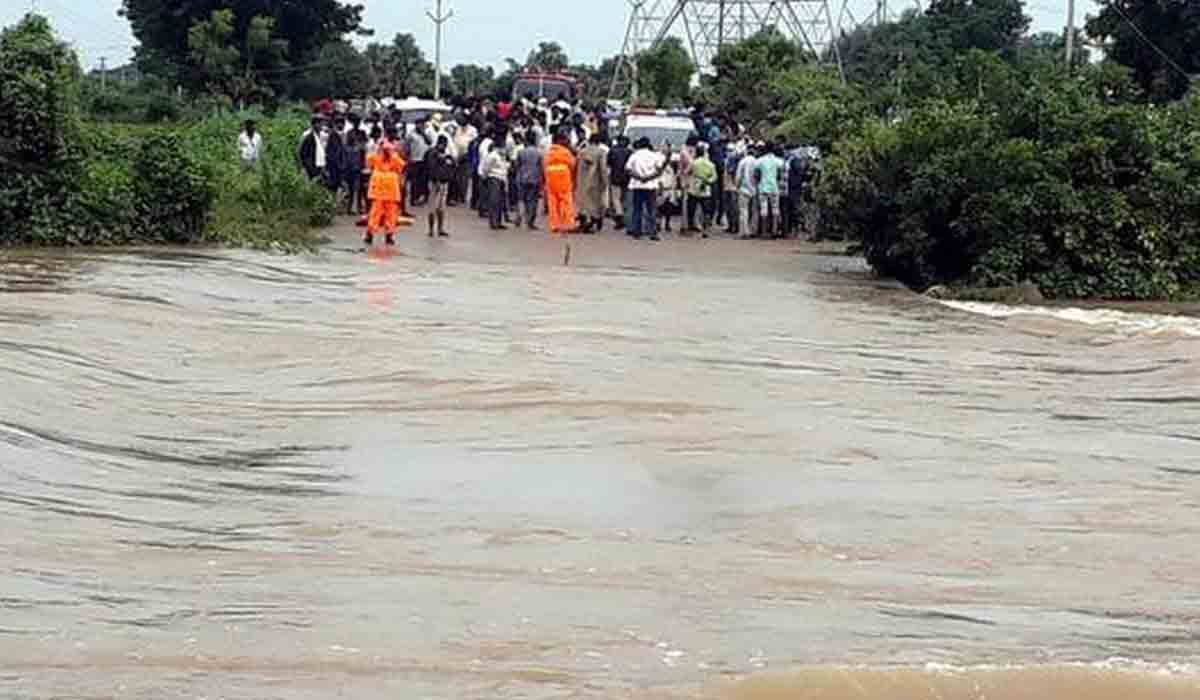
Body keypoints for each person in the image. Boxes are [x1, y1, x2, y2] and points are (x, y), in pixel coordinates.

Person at [625, 137, 667, 241]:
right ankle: (652, 233)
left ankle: (637, 231)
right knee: (651, 210)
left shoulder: (634, 155)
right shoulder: (654, 156)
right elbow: (659, 170)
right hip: (651, 186)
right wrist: (649, 178)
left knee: (637, 209)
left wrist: (640, 178)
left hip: (637, 185)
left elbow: (628, 169)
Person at [364, 141, 405, 246]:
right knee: (385, 213)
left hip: (382, 189)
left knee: (380, 213)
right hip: (387, 189)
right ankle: (385, 235)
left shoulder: (378, 157)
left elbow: (368, 162)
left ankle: (375, 234)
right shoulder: (392, 157)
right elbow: (401, 167)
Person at [543, 130, 578, 236]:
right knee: (565, 200)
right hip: (563, 174)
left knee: (552, 201)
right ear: (560, 140)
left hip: (550, 175)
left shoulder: (548, 152)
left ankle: (555, 225)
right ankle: (567, 224)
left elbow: (544, 165)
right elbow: (573, 164)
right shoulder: (565, 151)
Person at [574, 133, 609, 234]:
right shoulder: (601, 152)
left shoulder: (582, 151)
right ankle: (593, 221)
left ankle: (584, 222)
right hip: (595, 180)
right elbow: (602, 168)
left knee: (583, 202)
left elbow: (576, 166)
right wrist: (605, 181)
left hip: (582, 181)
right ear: (599, 142)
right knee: (595, 202)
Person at [686, 143, 718, 236]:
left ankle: (690, 228)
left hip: (694, 187)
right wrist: (707, 180)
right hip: (706, 189)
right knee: (706, 211)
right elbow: (714, 177)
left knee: (691, 209)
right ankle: (706, 230)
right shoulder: (711, 164)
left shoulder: (694, 163)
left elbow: (687, 172)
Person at [426, 135, 455, 238]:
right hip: (435, 184)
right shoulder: (432, 154)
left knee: (441, 208)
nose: (444, 146)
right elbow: (431, 168)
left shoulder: (446, 155)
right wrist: (437, 181)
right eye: (443, 144)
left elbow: (452, 166)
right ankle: (431, 230)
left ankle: (440, 229)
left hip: (444, 183)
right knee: (433, 207)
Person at [514, 131, 544, 230]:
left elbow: (517, 166)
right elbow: (541, 167)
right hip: (534, 179)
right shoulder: (538, 153)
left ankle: (519, 217)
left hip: (521, 178)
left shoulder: (521, 152)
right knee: (532, 201)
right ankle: (530, 222)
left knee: (521, 199)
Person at [756, 144, 785, 239]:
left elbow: (756, 171)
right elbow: (782, 168)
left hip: (763, 186)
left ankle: (764, 232)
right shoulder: (777, 161)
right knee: (775, 209)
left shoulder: (760, 160)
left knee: (763, 210)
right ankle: (774, 231)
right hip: (774, 187)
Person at [482, 133, 511, 230]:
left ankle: (498, 221)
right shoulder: (492, 156)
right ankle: (493, 222)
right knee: (494, 201)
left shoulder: (503, 156)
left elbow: (506, 167)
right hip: (494, 178)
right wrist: (485, 177)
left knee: (500, 201)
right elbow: (486, 167)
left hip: (502, 178)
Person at [607, 135, 632, 230]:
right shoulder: (629, 152)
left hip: (615, 177)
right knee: (624, 198)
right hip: (627, 178)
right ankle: (623, 215)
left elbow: (608, 163)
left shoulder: (612, 151)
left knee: (616, 198)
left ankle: (619, 215)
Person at [736, 145, 760, 239]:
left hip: (744, 188)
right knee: (755, 211)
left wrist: (737, 186)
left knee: (743, 210)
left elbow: (738, 176)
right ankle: (753, 230)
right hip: (755, 188)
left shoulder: (742, 161)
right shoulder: (757, 162)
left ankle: (744, 232)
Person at [298, 116, 328, 182]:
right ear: (315, 124)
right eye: (320, 124)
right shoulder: (308, 136)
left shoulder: (322, 135)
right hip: (311, 166)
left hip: (320, 166)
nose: (322, 126)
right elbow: (302, 152)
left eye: (323, 124)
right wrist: (306, 167)